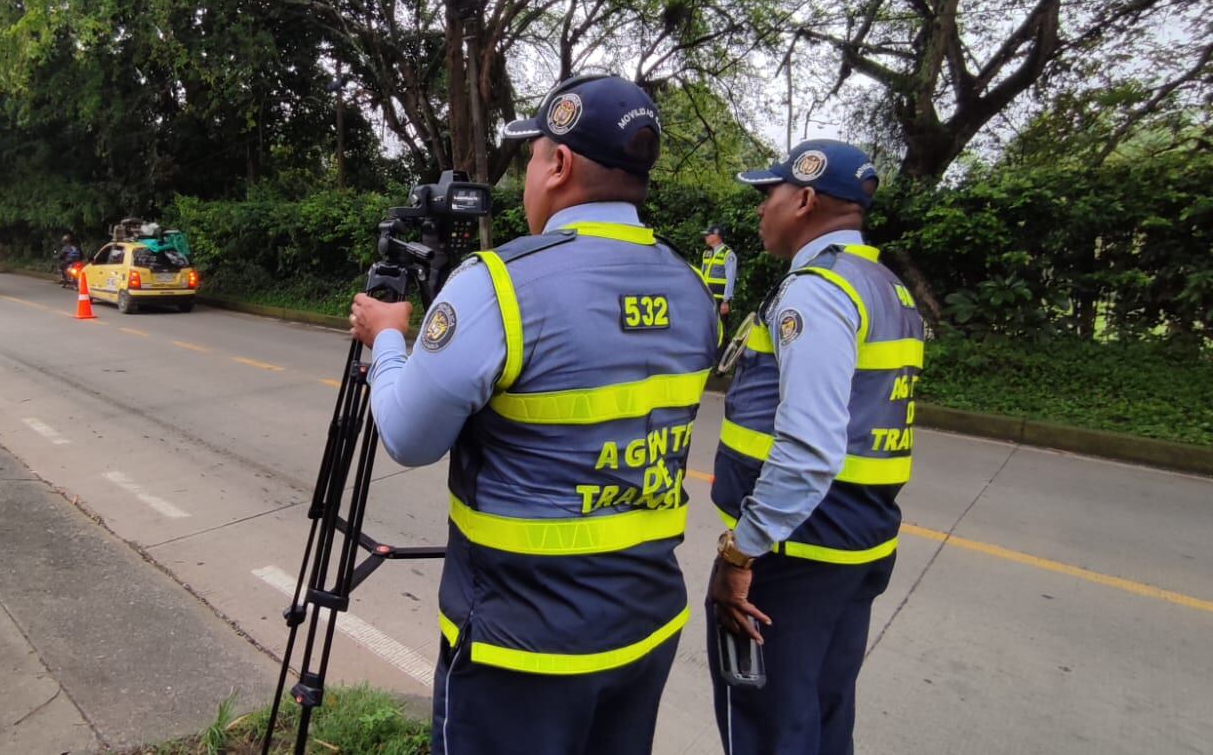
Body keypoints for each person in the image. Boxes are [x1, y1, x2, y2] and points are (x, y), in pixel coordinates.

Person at [349, 75, 719, 755]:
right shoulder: (692, 288)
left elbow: (405, 433)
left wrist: (389, 338)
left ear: (559, 164)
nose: (525, 179)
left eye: (532, 156)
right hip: (644, 629)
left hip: (521, 649)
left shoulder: (501, 284)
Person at [706, 140, 924, 755]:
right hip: (858, 541)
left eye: (767, 195)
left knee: (769, 726)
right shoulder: (885, 287)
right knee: (823, 718)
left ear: (802, 200)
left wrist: (740, 555)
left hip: (796, 549)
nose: (759, 210)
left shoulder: (818, 291)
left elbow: (807, 449)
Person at [701, 225, 737, 316]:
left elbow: (730, 279)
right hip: (706, 297)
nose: (705, 237)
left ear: (716, 236)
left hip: (720, 300)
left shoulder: (728, 254)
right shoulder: (706, 253)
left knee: (721, 327)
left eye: (708, 235)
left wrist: (726, 301)